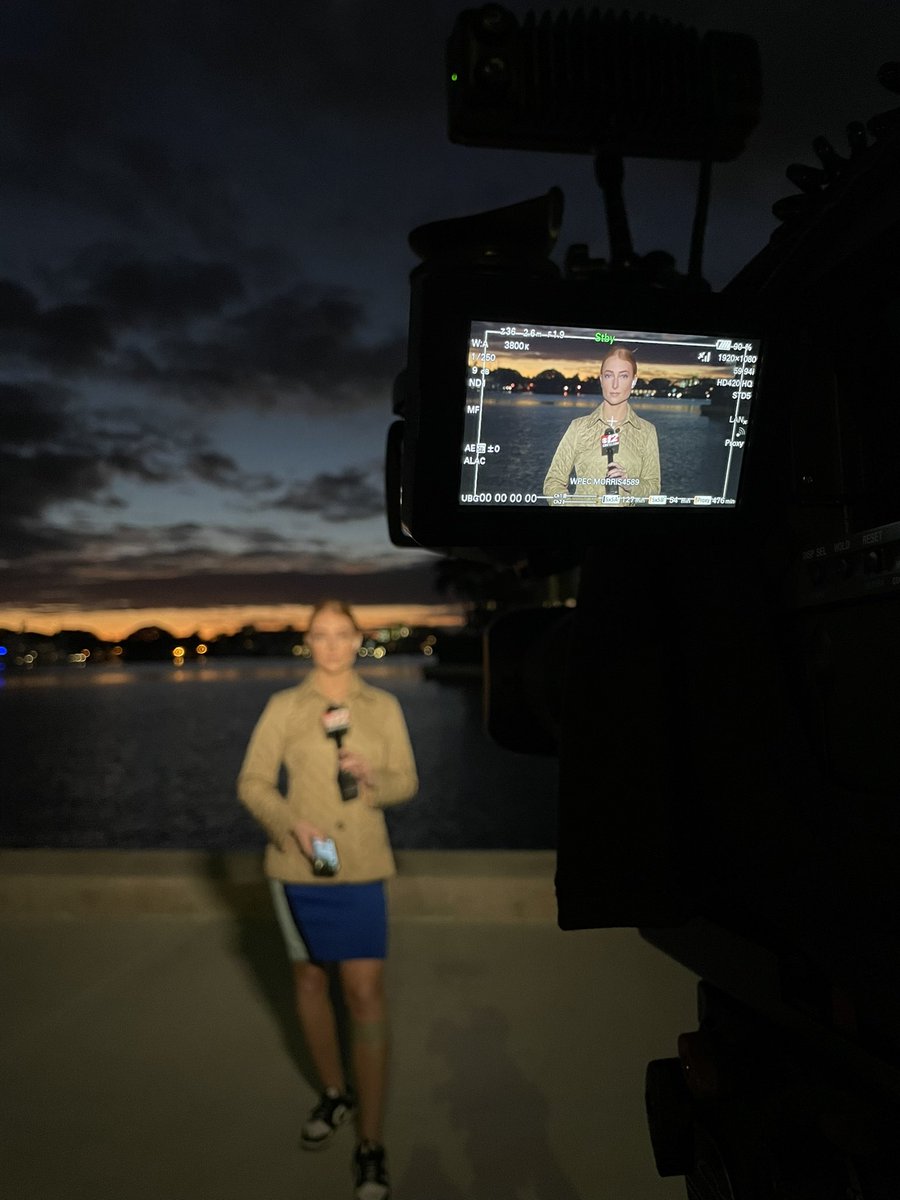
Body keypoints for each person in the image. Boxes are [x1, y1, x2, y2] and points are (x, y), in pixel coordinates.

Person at [237, 599, 417, 1200]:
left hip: (362, 864)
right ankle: (334, 1092)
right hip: (301, 864)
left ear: (359, 640)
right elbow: (253, 782)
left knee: (364, 992)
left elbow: (407, 781)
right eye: (321, 635)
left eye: (343, 634)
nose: (333, 644)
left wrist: (373, 776)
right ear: (308, 642)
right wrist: (291, 822)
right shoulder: (283, 708)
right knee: (310, 982)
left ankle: (371, 1141)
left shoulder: (383, 707)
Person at [543, 346, 661, 503]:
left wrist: (630, 483)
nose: (615, 385)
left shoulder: (647, 431)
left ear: (633, 381)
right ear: (601, 380)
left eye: (623, 376)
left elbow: (653, 488)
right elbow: (553, 483)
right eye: (608, 376)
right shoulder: (578, 428)